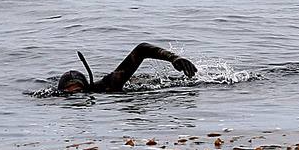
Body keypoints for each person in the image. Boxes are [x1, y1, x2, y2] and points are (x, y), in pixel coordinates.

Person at [56, 42, 197, 94]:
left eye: (78, 91)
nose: (75, 95)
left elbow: (141, 50)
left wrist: (174, 58)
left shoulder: (108, 84)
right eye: (69, 93)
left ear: (87, 88)